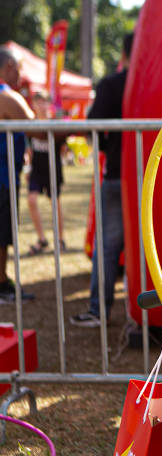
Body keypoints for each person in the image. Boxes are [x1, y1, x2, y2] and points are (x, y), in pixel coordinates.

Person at [70, 33, 133, 327]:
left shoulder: (113, 84)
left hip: (119, 175)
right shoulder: (150, 83)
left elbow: (92, 126)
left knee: (107, 247)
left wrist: (109, 147)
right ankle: (151, 316)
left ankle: (99, 310)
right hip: (151, 176)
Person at [0, 45, 34, 304]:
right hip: (2, 177)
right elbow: (36, 127)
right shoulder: (7, 96)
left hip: (6, 174)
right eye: (19, 69)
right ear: (9, 67)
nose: (20, 75)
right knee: (2, 234)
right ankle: (1, 284)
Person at [27, 90, 67, 255]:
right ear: (34, 104)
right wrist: (28, 168)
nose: (42, 105)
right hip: (36, 169)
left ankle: (60, 239)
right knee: (31, 200)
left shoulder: (55, 124)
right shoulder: (30, 124)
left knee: (55, 204)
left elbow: (63, 148)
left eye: (44, 102)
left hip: (52, 169)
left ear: (49, 104)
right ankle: (42, 239)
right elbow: (29, 149)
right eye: (38, 102)